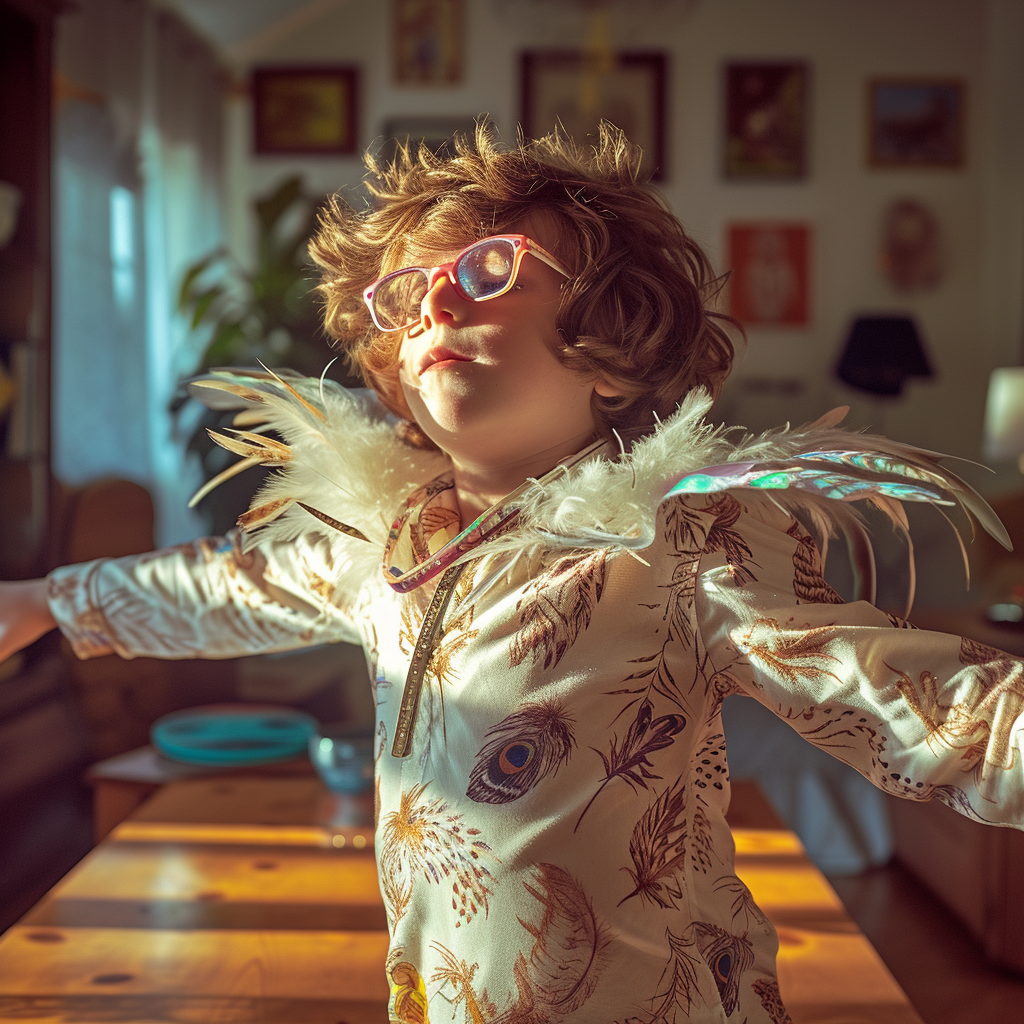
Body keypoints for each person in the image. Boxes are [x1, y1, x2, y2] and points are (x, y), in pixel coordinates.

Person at [1, 124, 1022, 1024]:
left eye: (487, 269)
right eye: (403, 293)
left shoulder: (676, 540)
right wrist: (44, 600)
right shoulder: (377, 540)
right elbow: (224, 585)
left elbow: (881, 685)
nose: (435, 297)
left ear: (610, 349)